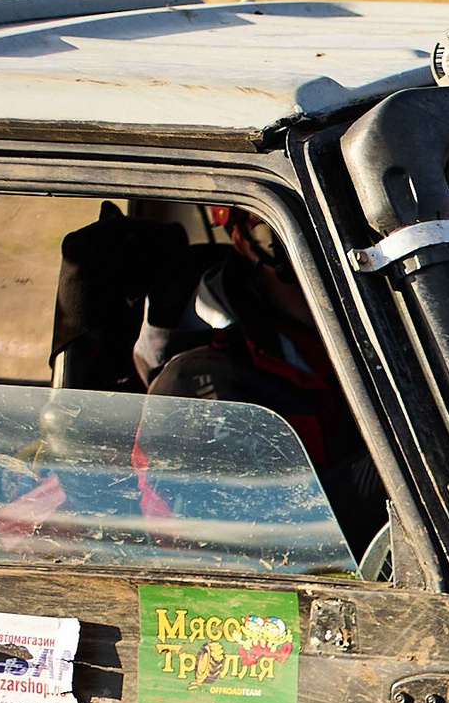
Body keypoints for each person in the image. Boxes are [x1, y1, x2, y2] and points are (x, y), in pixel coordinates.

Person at [134, 207, 388, 552]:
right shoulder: (194, 388)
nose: (324, 259)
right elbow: (254, 554)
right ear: (242, 240)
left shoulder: (398, 331)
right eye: (287, 240)